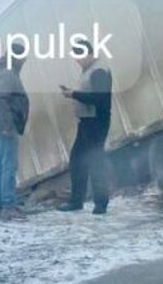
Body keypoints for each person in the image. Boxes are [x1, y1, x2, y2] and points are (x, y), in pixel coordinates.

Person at [58, 41, 113, 214]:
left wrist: (73, 94)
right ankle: (76, 201)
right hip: (86, 122)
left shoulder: (98, 71)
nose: (78, 61)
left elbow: (100, 99)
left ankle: (100, 204)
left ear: (90, 54)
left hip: (96, 122)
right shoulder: (89, 70)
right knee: (77, 160)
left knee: (95, 161)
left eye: (80, 56)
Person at [0, 42, 29, 218]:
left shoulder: (3, 72)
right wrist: (7, 126)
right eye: (23, 58)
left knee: (1, 165)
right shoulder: (6, 74)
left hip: (0, 125)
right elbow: (0, 99)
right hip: (5, 126)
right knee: (9, 166)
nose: (25, 61)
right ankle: (8, 206)